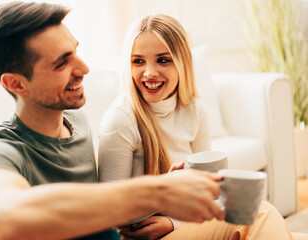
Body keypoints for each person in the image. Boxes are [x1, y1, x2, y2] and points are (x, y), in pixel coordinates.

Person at [0, 2, 230, 240]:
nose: (84, 69)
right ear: (17, 84)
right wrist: (157, 191)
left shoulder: (78, 124)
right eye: (61, 63)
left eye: (75, 52)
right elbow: (7, 219)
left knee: (253, 215)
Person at [98, 14, 293, 239]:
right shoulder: (121, 121)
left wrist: (173, 222)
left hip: (179, 226)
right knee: (259, 214)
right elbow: (110, 211)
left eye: (163, 60)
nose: (149, 72)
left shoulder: (195, 111)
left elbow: (208, 193)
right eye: (138, 61)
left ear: (182, 62)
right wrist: (164, 190)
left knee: (263, 221)